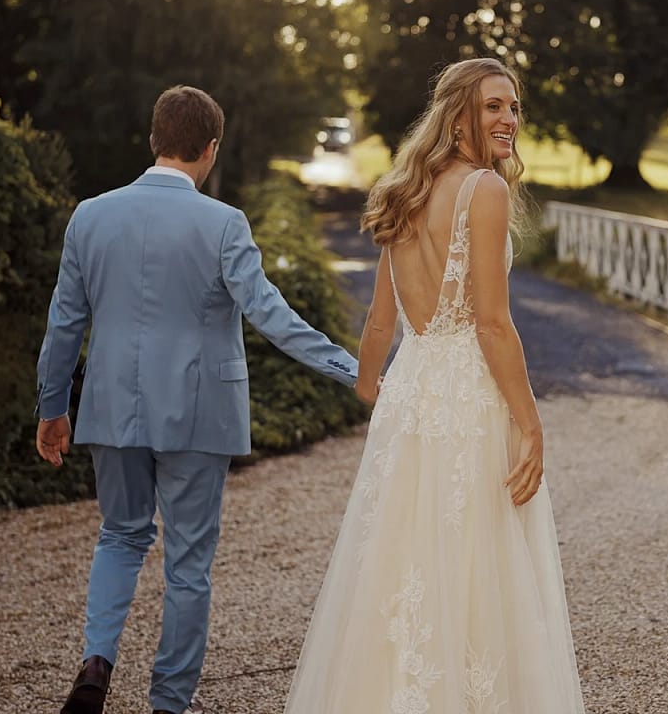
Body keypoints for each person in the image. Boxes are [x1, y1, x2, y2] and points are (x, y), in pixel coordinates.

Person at [34, 86, 364, 714]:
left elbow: (64, 324)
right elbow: (269, 313)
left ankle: (97, 664)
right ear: (211, 148)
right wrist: (351, 370)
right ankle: (168, 703)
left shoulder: (90, 216)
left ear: (153, 139)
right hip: (198, 412)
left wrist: (53, 408)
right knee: (188, 563)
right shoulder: (223, 222)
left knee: (119, 535)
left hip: (109, 407)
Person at [282, 58, 586, 713]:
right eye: (493, 107)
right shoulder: (484, 190)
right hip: (468, 394)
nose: (508, 119)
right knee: (474, 559)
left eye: (513, 107)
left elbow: (380, 321)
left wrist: (372, 388)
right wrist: (530, 423)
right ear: (458, 115)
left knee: (402, 559)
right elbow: (493, 324)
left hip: (415, 386)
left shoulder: (404, 189)